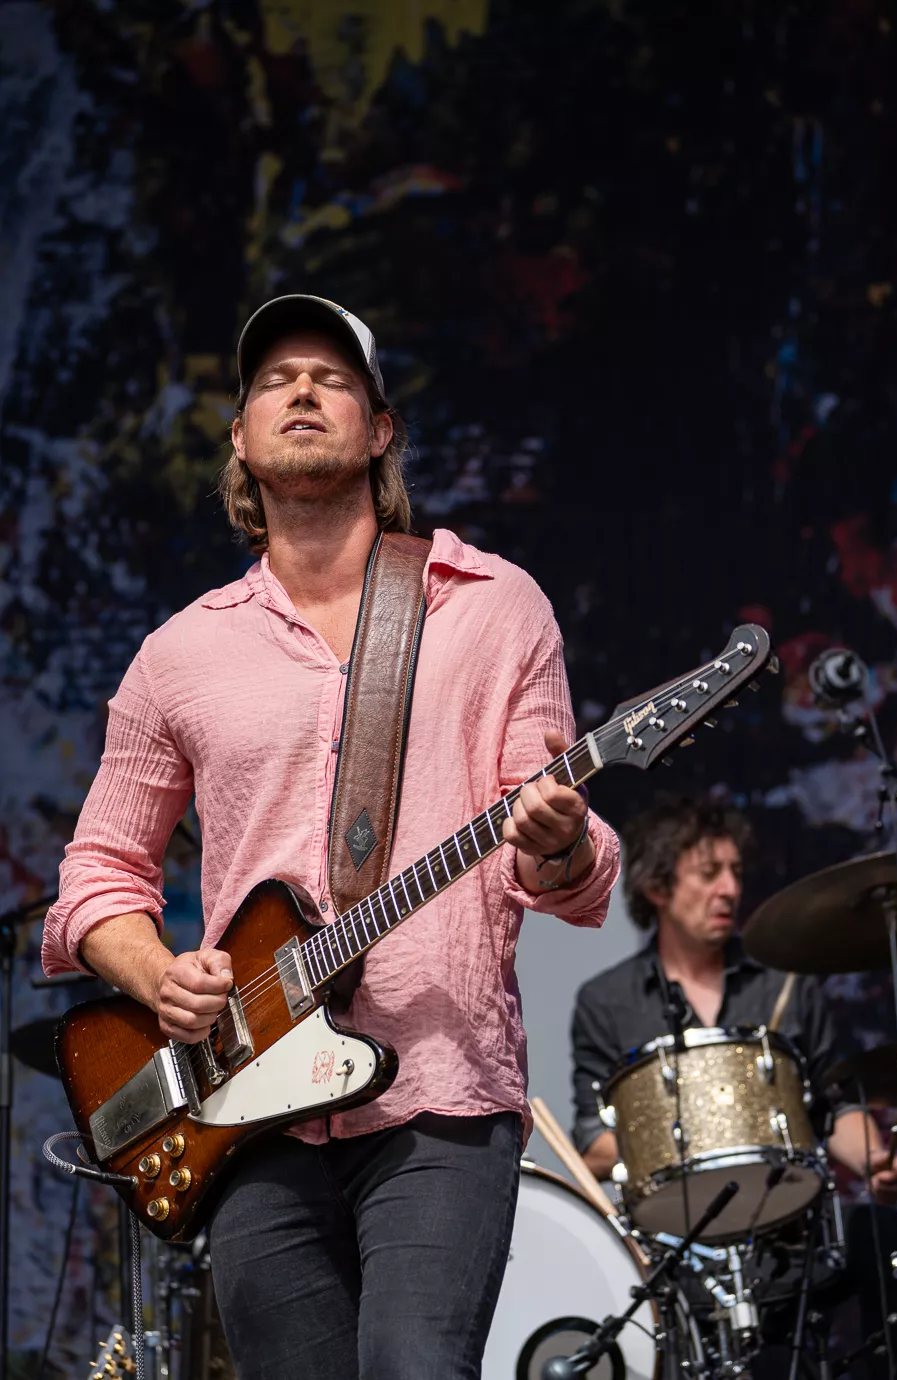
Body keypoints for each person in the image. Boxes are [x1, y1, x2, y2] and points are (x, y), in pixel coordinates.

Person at [41, 294, 621, 1380]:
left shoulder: (492, 607)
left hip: (438, 1090)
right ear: (239, 437)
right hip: (247, 1102)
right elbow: (98, 874)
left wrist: (560, 840)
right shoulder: (179, 655)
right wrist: (158, 976)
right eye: (275, 380)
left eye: (332, 378)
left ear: (380, 428)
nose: (302, 390)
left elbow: (560, 872)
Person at [570, 795, 897, 1375]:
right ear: (657, 887)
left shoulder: (784, 984)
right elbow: (592, 1142)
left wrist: (875, 1158)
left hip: (791, 1235)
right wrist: (697, 1138)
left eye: (735, 872)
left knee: (888, 1237)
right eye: (709, 874)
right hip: (681, 1251)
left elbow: (829, 1108)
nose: (730, 889)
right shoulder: (607, 1003)